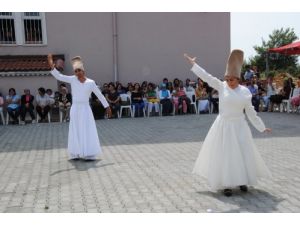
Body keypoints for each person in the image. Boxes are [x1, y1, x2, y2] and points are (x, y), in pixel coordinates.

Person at [184, 50, 272, 197]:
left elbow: (250, 111)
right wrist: (194, 64)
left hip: (240, 126)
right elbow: (206, 77)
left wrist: (261, 127)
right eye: (227, 78)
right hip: (224, 126)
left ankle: (242, 180)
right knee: (226, 155)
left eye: (232, 79)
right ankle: (227, 184)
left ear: (238, 79)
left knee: (242, 153)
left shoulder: (245, 92)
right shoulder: (221, 86)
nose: (229, 81)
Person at [48, 54, 112, 161]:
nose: (77, 73)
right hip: (75, 108)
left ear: (83, 71)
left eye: (79, 70)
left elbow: (100, 95)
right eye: (75, 71)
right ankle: (75, 153)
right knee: (75, 129)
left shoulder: (91, 83)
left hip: (86, 109)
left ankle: (89, 153)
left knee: (87, 129)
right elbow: (60, 77)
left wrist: (107, 107)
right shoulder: (73, 79)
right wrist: (52, 66)